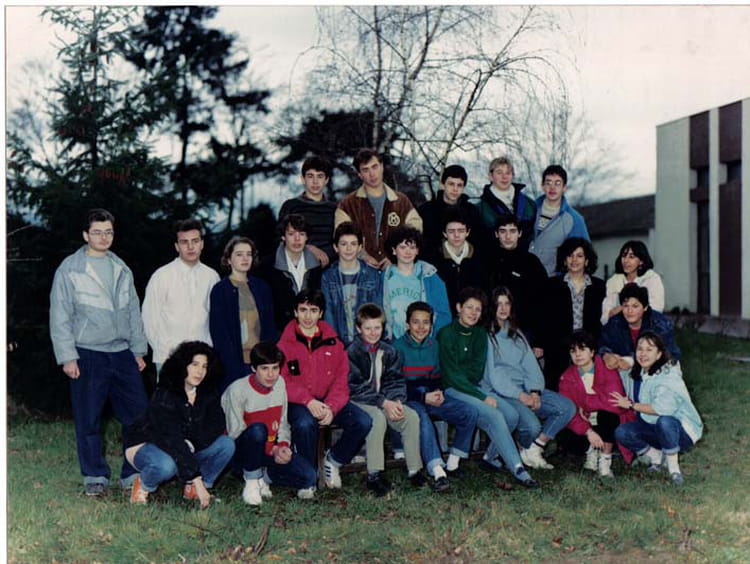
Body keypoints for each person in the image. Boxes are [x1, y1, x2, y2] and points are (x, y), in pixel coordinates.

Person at [49, 208, 149, 496]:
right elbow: (60, 315)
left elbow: (133, 312)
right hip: (88, 353)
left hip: (122, 353)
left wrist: (138, 350)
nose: (104, 238)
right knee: (89, 417)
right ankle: (94, 475)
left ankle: (133, 472)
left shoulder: (121, 268)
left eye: (108, 232)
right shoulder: (70, 269)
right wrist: (67, 356)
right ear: (85, 235)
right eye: (97, 232)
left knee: (138, 415)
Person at [437, 287, 538, 488]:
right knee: (496, 415)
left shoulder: (480, 334)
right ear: (458, 308)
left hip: (473, 388)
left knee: (511, 415)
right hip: (452, 389)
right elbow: (453, 376)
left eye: (478, 309)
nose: (473, 313)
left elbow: (475, 372)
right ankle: (518, 468)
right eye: (469, 307)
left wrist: (479, 393)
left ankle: (491, 457)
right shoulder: (446, 334)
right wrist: (482, 397)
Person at [277, 289, 372, 489]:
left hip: (327, 400)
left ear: (321, 313)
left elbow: (341, 382)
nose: (308, 316)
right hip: (298, 402)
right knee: (305, 424)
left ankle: (334, 460)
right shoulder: (284, 345)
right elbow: (282, 381)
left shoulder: (334, 343)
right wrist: (307, 400)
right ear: (295, 312)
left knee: (363, 421)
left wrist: (331, 407)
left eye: (313, 310)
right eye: (303, 310)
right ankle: (307, 476)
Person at [126, 341, 235, 507]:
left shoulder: (208, 393)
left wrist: (192, 444)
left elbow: (215, 427)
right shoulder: (166, 393)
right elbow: (170, 438)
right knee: (166, 465)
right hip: (147, 444)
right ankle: (143, 484)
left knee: (226, 444)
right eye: (194, 364)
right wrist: (195, 476)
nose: (200, 371)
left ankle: (194, 490)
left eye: (204, 366)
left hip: (183, 446)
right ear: (182, 366)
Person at [482, 286, 575, 471]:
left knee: (567, 407)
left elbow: (531, 365)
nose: (503, 308)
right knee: (532, 427)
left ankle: (532, 449)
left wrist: (535, 391)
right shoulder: (486, 335)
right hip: (503, 393)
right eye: (499, 304)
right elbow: (494, 375)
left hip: (525, 389)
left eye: (507, 303)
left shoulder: (516, 333)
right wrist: (520, 395)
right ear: (492, 307)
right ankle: (502, 452)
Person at [393, 302, 478, 490]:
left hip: (430, 395)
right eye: (416, 322)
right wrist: (423, 397)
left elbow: (437, 376)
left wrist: (437, 391)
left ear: (431, 325)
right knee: (421, 416)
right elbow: (396, 385)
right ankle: (438, 470)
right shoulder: (397, 347)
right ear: (407, 324)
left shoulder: (434, 345)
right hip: (408, 399)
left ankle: (453, 462)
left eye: (426, 322)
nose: (421, 327)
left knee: (469, 411)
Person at [222, 341, 317, 505]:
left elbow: (283, 423)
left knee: (310, 476)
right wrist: (272, 449)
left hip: (269, 451)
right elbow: (235, 432)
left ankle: (264, 478)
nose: (271, 375)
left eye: (275, 368)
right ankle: (252, 481)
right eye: (264, 368)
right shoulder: (237, 390)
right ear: (253, 368)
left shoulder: (280, 383)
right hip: (244, 452)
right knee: (258, 430)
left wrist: (283, 446)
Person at [347, 303, 428, 496]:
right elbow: (355, 386)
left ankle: (414, 469)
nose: (373, 332)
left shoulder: (389, 351)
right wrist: (384, 403)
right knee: (377, 418)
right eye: (368, 328)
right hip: (357, 401)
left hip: (383, 400)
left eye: (377, 327)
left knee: (411, 416)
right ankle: (374, 474)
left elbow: (395, 380)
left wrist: (396, 400)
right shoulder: (351, 352)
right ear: (358, 328)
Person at [612, 331, 703, 485]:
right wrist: (621, 360)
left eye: (649, 349)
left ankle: (674, 469)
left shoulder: (668, 375)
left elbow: (662, 409)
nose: (643, 354)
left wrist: (632, 405)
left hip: (681, 431)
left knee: (665, 421)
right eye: (640, 349)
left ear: (659, 354)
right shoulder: (641, 371)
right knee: (622, 432)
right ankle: (657, 457)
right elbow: (623, 367)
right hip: (654, 427)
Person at [142, 219, 220, 376]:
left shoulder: (212, 277)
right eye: (184, 242)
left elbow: (215, 318)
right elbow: (149, 318)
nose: (190, 247)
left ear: (202, 244)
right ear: (177, 246)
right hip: (169, 358)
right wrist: (164, 350)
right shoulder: (162, 276)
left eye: (195, 241)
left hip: (202, 360)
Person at [558, 330, 635, 477]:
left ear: (592, 352)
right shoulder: (566, 377)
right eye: (573, 351)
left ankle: (605, 459)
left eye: (582, 349)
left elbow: (615, 404)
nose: (577, 354)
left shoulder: (607, 368)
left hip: (610, 418)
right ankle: (591, 451)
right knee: (567, 436)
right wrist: (588, 431)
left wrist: (585, 405)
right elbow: (569, 410)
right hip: (586, 422)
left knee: (607, 416)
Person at [334, 148, 422, 270]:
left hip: (396, 271)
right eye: (365, 170)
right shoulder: (347, 205)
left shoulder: (401, 201)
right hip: (359, 270)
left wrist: (395, 257)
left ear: (382, 167)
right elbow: (340, 237)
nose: (372, 174)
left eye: (374, 167)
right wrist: (362, 256)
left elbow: (415, 233)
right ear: (359, 174)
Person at [209, 236, 276, 391]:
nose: (245, 258)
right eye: (239, 254)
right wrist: (231, 367)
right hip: (233, 366)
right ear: (228, 259)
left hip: (261, 364)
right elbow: (220, 334)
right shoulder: (220, 290)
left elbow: (270, 327)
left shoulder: (262, 287)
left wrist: (267, 361)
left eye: (249, 254)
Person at [543, 237, 606, 391]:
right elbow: (545, 319)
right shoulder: (552, 285)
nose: (574, 260)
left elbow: (601, 320)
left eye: (579, 256)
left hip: (590, 348)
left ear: (587, 260)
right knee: (559, 390)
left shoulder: (599, 286)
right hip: (559, 349)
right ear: (564, 260)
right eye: (570, 255)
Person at [598, 283, 680, 391]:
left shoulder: (660, 324)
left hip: (657, 371)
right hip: (625, 372)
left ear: (645, 307)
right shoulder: (615, 322)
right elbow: (602, 344)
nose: (629, 311)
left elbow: (670, 354)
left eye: (635, 306)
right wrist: (606, 355)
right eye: (625, 306)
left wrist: (632, 361)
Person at [486, 214, 548, 356]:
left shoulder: (531, 263)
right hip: (493, 330)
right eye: (503, 231)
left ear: (519, 233)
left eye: (512, 231)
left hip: (525, 331)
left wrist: (539, 342)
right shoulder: (487, 262)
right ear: (496, 234)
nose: (508, 236)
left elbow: (542, 303)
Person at [382, 226, 451, 340]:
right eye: (403, 247)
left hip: (424, 341)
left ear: (417, 250)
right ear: (394, 250)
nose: (408, 252)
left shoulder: (430, 276)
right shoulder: (383, 277)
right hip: (392, 341)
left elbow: (444, 313)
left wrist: (430, 339)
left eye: (412, 247)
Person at [321, 222, 383, 346]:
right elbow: (328, 314)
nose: (349, 249)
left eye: (353, 244)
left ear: (360, 247)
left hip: (366, 342)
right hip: (338, 343)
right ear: (335, 247)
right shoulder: (328, 277)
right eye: (344, 244)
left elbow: (377, 310)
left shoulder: (372, 275)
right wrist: (335, 344)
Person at [263, 213, 323, 329]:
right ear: (283, 236)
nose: (297, 239)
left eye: (302, 234)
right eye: (291, 234)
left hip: (309, 331)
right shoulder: (268, 266)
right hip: (280, 331)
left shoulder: (316, 266)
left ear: (307, 237)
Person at [529, 165, 590, 276]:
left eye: (557, 183)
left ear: (564, 188)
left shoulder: (575, 219)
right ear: (542, 186)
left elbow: (585, 254)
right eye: (548, 183)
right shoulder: (529, 210)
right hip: (524, 277)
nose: (552, 188)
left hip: (553, 281)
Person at [278, 156, 337, 266]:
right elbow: (281, 240)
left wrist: (326, 255)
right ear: (303, 179)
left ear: (326, 180)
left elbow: (341, 241)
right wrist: (306, 248)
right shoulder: (291, 206)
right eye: (310, 176)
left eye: (320, 176)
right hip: (299, 265)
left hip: (331, 265)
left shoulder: (335, 209)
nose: (315, 181)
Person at [417, 164, 483, 262]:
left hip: (466, 263)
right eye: (451, 184)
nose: (455, 189)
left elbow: (478, 241)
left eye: (459, 185)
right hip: (433, 263)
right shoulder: (427, 210)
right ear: (443, 184)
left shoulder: (471, 211)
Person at [475, 156, 537, 252]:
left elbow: (533, 235)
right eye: (499, 173)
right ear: (490, 176)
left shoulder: (529, 205)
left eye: (508, 173)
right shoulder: (480, 208)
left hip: (522, 257)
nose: (504, 177)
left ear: (512, 175)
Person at [432, 207, 486, 310]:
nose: (456, 235)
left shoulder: (479, 258)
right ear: (444, 233)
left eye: (461, 231)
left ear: (468, 232)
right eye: (451, 231)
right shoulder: (435, 259)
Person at [601, 240, 665, 325]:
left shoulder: (651, 279)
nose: (626, 260)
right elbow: (606, 315)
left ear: (641, 261)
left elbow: (656, 310)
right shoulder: (614, 281)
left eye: (631, 257)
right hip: (617, 328)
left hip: (646, 328)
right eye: (624, 256)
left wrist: (622, 310)